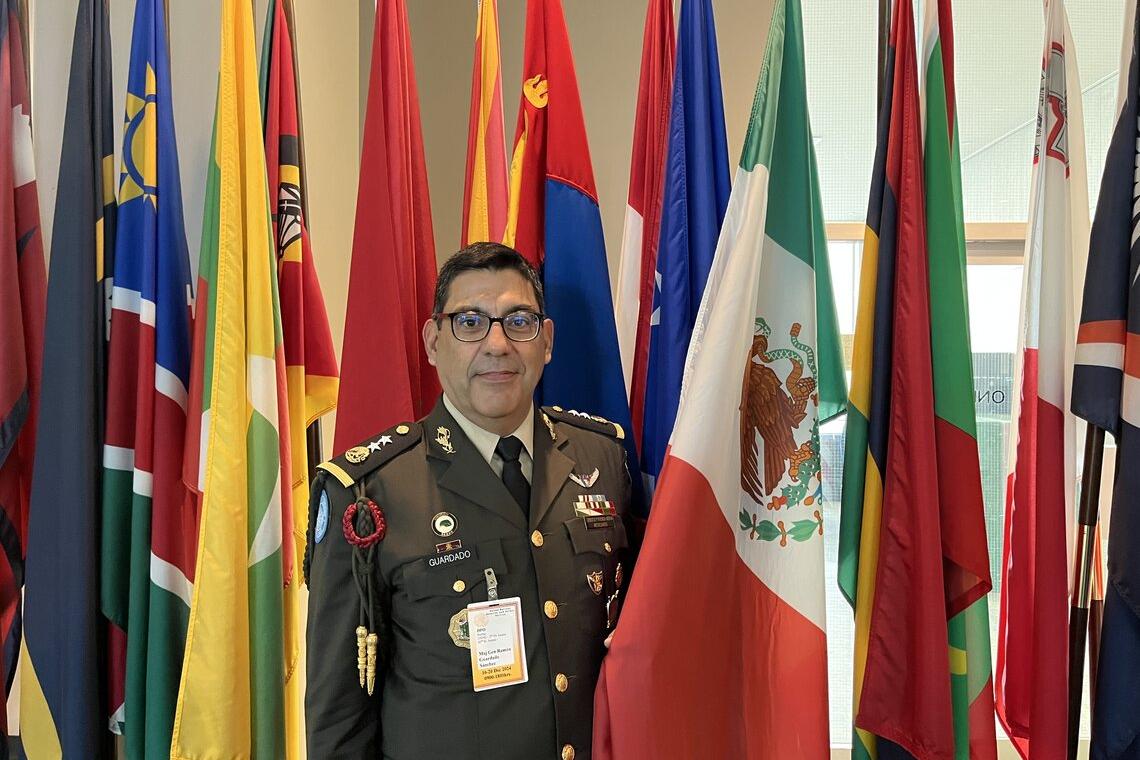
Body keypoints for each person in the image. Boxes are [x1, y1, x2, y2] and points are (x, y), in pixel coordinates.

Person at [305, 242, 637, 760]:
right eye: (470, 322)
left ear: (547, 341)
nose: (497, 344)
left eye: (519, 322)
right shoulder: (369, 493)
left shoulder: (604, 459)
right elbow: (339, 723)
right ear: (433, 341)